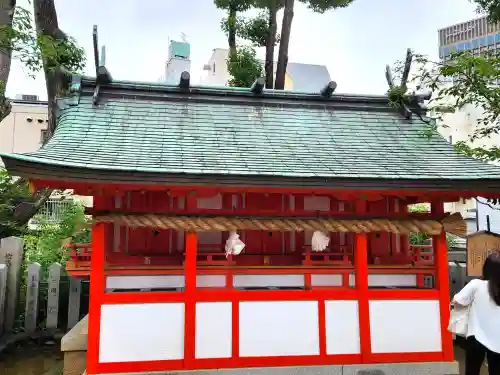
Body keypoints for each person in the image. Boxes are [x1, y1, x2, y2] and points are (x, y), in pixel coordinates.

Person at [452, 252, 500, 375]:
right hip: (498, 340)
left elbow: (456, 301)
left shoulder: (476, 285)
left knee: (472, 370)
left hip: (475, 336)